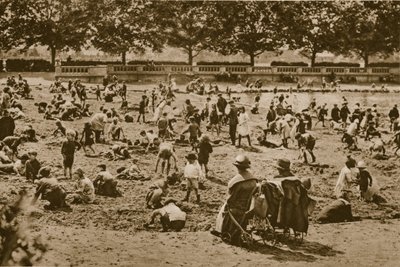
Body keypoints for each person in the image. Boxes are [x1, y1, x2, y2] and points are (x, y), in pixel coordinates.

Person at [214, 155, 257, 246]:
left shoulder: (236, 182)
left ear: (237, 167)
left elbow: (231, 198)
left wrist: (226, 206)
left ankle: (223, 232)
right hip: (247, 206)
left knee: (223, 210)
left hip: (236, 207)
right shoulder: (253, 179)